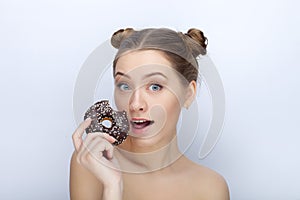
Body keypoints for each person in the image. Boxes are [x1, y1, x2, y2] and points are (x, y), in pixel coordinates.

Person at [70, 27, 230, 200]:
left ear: (188, 94)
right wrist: (112, 187)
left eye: (155, 86)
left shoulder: (211, 188)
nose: (135, 104)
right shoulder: (93, 162)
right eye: (125, 86)